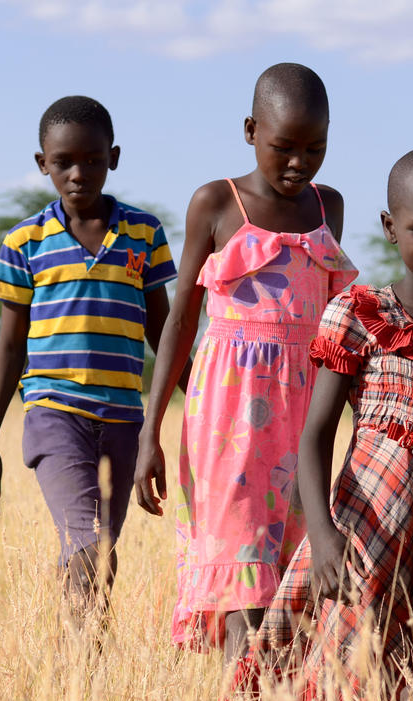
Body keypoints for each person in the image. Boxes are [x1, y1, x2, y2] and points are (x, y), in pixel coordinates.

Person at [239, 147, 413, 701]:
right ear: (390, 229)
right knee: (351, 652)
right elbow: (315, 436)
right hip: (368, 521)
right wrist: (323, 533)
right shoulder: (360, 315)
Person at [134, 63, 357, 664]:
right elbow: (180, 319)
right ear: (250, 130)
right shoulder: (215, 202)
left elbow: (339, 323)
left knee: (292, 566)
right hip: (226, 409)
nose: (298, 163)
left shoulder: (327, 206)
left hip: (304, 411)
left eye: (316, 148)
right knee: (240, 567)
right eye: (283, 146)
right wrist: (151, 430)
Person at [0, 95, 178, 608]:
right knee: (85, 541)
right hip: (54, 414)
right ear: (43, 164)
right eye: (62, 162)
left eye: (91, 159)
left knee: (99, 551)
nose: (78, 172)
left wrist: (199, 402)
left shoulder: (143, 234)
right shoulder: (25, 242)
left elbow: (164, 332)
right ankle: (82, 664)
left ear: (114, 156)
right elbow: (10, 345)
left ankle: (78, 672)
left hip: (123, 418)